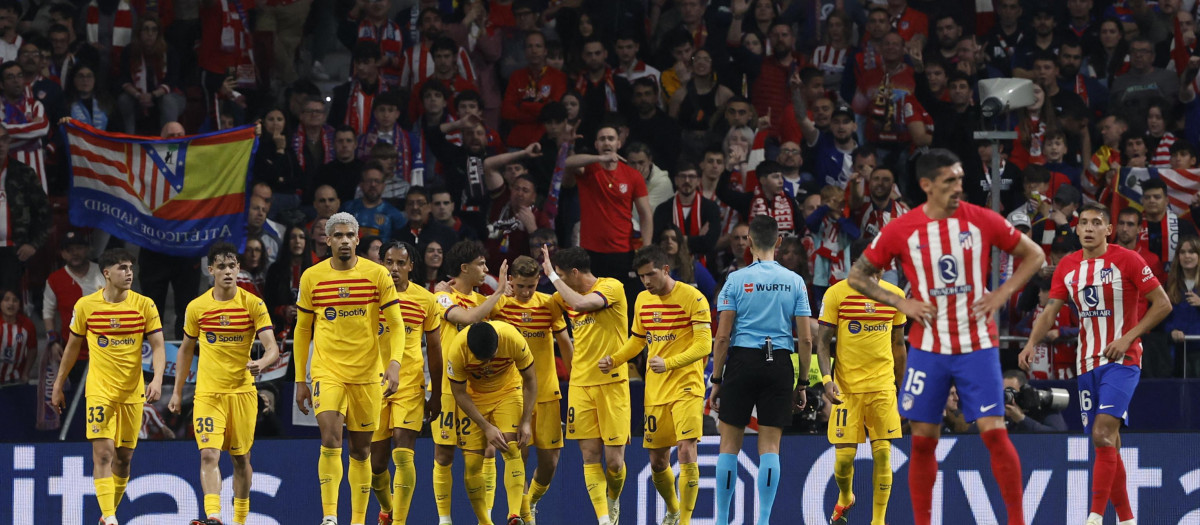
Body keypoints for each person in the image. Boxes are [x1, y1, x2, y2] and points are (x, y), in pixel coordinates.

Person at [848, 148, 1046, 525]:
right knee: (923, 441)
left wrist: (1002, 294)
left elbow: (1034, 255)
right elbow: (857, 275)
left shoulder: (981, 219)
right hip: (928, 349)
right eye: (949, 181)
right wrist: (899, 303)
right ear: (926, 186)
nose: (959, 187)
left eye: (959, 179)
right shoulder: (902, 229)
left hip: (977, 346)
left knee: (994, 434)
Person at [1019, 203, 1171, 525]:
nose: (1088, 228)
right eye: (1084, 222)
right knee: (1109, 442)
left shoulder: (1128, 259)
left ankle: (1095, 516)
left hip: (1123, 360)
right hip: (1086, 363)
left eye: (1096, 223)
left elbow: (1162, 304)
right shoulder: (1068, 267)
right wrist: (1031, 343)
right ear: (1076, 229)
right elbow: (1049, 311)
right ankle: (1128, 520)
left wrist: (1128, 338)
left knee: (1102, 434)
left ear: (1108, 230)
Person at [291, 212, 405, 525]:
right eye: (338, 235)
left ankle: (357, 520)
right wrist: (301, 379)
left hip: (368, 373)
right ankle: (330, 517)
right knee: (330, 438)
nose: (344, 240)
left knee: (361, 449)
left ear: (357, 239)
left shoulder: (377, 275)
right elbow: (302, 331)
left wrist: (394, 364)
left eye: (349, 235)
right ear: (327, 240)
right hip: (327, 370)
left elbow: (396, 324)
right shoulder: (312, 277)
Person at [707, 215, 812, 525]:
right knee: (770, 448)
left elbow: (723, 336)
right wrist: (803, 382)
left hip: (742, 361)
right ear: (778, 243)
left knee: (729, 446)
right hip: (778, 362)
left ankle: (722, 521)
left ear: (749, 242)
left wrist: (716, 379)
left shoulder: (735, 280)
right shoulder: (794, 281)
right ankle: (763, 520)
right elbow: (805, 338)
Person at [50, 248, 166, 525]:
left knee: (123, 459)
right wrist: (58, 383)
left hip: (132, 392)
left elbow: (159, 345)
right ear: (106, 273)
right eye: (122, 268)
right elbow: (72, 347)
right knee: (103, 453)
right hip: (100, 391)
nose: (129, 273)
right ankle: (112, 518)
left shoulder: (144, 305)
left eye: (130, 268)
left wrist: (158, 378)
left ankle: (106, 515)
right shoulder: (86, 306)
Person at [167, 242, 281, 525]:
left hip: (242, 393)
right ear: (211, 270)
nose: (228, 272)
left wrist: (262, 363)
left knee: (241, 459)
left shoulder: (253, 304)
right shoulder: (197, 307)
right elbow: (184, 350)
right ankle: (214, 516)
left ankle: (240, 520)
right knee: (208, 454)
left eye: (232, 266)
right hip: (208, 394)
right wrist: (178, 391)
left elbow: (272, 348)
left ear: (238, 269)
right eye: (221, 267)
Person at [600, 246, 710, 525]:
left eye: (651, 274)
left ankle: (684, 521)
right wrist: (616, 359)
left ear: (665, 270)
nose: (646, 281)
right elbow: (638, 339)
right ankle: (673, 509)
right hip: (656, 390)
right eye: (641, 276)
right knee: (658, 462)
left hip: (687, 385)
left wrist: (671, 363)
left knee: (686, 450)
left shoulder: (693, 297)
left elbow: (704, 344)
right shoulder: (641, 300)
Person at [815, 238, 906, 525]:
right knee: (843, 463)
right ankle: (845, 497)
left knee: (882, 456)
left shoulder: (895, 295)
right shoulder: (836, 294)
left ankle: (878, 521)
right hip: (846, 389)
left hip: (882, 387)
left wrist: (901, 386)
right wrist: (827, 379)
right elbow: (822, 343)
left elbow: (898, 344)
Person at [540, 246, 629, 525]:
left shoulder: (612, 287)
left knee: (614, 463)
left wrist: (552, 276)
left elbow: (580, 304)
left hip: (612, 383)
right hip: (580, 385)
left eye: (564, 276)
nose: (560, 282)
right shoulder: (562, 296)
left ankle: (613, 498)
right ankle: (603, 519)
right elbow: (532, 303)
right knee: (589, 456)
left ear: (575, 273)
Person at [431, 240, 510, 525]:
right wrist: (499, 292)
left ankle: (484, 519)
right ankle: (444, 520)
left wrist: (505, 295)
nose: (486, 269)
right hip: (448, 388)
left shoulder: (484, 302)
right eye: (481, 264)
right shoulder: (441, 297)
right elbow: (467, 318)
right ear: (464, 268)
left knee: (482, 453)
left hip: (478, 389)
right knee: (443, 453)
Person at [490, 255, 573, 524]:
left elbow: (564, 343)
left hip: (547, 393)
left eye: (532, 286)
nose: (526, 292)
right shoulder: (498, 306)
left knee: (550, 463)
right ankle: (522, 515)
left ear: (539, 281)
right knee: (518, 458)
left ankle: (531, 502)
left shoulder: (549, 305)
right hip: (511, 394)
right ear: (511, 280)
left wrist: (576, 377)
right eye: (521, 286)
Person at [369, 241, 444, 525]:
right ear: (381, 263)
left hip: (410, 384)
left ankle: (399, 521)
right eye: (389, 262)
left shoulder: (426, 300)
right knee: (377, 466)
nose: (394, 269)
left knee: (403, 452)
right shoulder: (370, 297)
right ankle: (387, 509)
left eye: (401, 263)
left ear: (411, 266)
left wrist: (435, 394)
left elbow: (435, 350)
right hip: (372, 386)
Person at [1000, 370, 1068, 432]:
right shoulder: (997, 409)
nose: (1008, 397)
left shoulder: (1042, 405)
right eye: (1005, 393)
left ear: (1024, 391)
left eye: (1012, 392)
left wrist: (1021, 419)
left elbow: (1058, 435)